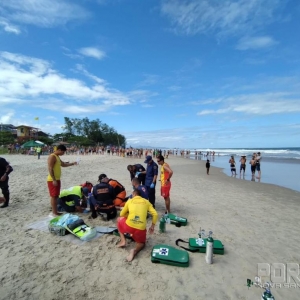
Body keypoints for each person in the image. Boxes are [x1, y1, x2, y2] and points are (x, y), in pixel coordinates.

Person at [117, 189, 158, 261]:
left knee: (119, 219)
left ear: (134, 194)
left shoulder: (130, 201)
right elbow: (155, 214)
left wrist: (129, 216)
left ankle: (123, 240)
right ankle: (135, 251)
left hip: (129, 226)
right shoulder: (146, 202)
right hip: (140, 229)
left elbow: (121, 214)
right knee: (141, 243)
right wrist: (152, 226)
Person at [47, 144, 77, 216]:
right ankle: (54, 212)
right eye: (63, 152)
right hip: (52, 179)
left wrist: (72, 163)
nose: (63, 154)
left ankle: (55, 211)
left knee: (56, 195)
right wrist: (54, 179)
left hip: (57, 179)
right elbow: (50, 168)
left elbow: (63, 164)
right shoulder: (52, 156)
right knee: (53, 196)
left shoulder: (57, 157)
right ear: (59, 150)